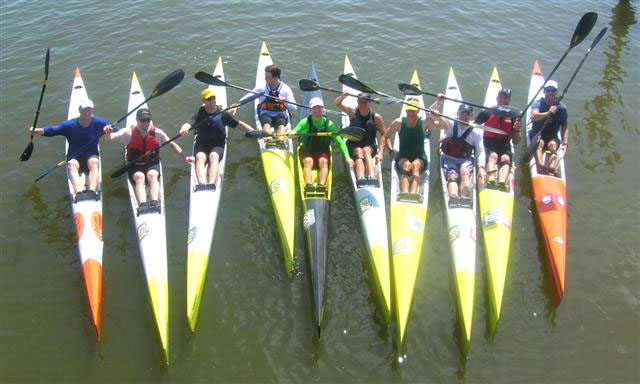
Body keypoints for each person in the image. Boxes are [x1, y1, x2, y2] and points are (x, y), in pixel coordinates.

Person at [104, 108, 192, 211]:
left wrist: (185, 157)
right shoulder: (128, 132)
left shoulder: (157, 132)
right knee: (139, 177)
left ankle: (155, 203)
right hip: (134, 164)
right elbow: (109, 138)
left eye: (148, 120)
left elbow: (171, 145)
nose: (145, 123)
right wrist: (107, 132)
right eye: (142, 120)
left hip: (151, 163)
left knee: (152, 175)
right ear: (137, 120)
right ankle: (142, 205)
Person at [29, 99, 110, 201]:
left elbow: (116, 131)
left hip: (91, 154)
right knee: (71, 164)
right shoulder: (69, 125)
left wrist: (110, 131)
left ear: (92, 111)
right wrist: (37, 131)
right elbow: (52, 130)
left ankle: (92, 192)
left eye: (89, 110)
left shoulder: (99, 123)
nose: (87, 112)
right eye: (85, 110)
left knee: (94, 162)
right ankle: (79, 193)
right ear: (80, 111)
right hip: (74, 155)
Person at [179, 88, 254, 190]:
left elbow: (239, 125)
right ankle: (201, 184)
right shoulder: (199, 114)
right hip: (202, 144)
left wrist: (253, 132)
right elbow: (189, 123)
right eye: (208, 99)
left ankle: (211, 184)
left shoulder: (223, 114)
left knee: (213, 156)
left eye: (213, 98)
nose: (212, 101)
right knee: (200, 157)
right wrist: (184, 128)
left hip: (217, 144)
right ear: (203, 101)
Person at [430, 97, 487, 202]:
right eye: (462, 113)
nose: (464, 116)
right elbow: (431, 115)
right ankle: (454, 198)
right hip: (448, 157)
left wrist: (481, 167)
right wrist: (438, 103)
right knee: (452, 176)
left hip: (465, 159)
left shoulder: (476, 131)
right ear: (458, 113)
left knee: (465, 173)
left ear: (471, 116)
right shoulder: (450, 123)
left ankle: (465, 199)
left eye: (468, 113)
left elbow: (480, 151)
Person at [292, 97, 353, 190]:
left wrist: (347, 157)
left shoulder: (329, 124)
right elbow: (294, 131)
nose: (317, 110)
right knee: (309, 161)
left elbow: (340, 142)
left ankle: (321, 186)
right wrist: (292, 133)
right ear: (310, 110)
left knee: (323, 162)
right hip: (307, 151)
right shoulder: (305, 122)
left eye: (319, 107)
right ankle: (308, 185)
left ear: (323, 109)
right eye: (314, 107)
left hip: (322, 152)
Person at [334, 91, 386, 186]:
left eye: (365, 102)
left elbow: (384, 135)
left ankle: (371, 177)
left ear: (369, 103)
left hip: (369, 145)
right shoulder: (352, 112)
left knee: (366, 150)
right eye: (360, 102)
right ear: (357, 102)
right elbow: (337, 103)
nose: (362, 105)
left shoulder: (376, 117)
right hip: (353, 144)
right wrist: (343, 96)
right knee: (359, 151)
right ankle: (361, 178)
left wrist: (381, 152)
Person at [474, 88, 521, 190]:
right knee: (493, 156)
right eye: (501, 98)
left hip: (504, 144)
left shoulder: (514, 116)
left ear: (509, 100)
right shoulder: (487, 112)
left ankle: (502, 183)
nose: (503, 100)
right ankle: (491, 180)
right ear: (497, 98)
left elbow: (516, 141)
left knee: (506, 158)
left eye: (506, 98)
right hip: (488, 143)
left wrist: (516, 130)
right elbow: (473, 126)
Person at [380, 97, 430, 194]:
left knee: (415, 165)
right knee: (407, 165)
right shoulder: (398, 123)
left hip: (420, 157)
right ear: (406, 110)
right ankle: (405, 194)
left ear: (418, 110)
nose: (411, 112)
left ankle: (413, 194)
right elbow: (384, 137)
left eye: (413, 110)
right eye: (409, 110)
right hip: (403, 156)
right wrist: (382, 152)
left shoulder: (424, 123)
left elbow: (444, 126)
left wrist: (437, 116)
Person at [239, 64, 297, 136]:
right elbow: (248, 97)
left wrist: (284, 102)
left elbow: (294, 108)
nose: (265, 78)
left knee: (281, 124)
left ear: (275, 77)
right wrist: (236, 106)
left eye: (267, 77)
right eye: (265, 76)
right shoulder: (261, 88)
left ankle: (281, 141)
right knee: (266, 123)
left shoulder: (285, 90)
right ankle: (268, 139)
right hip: (266, 113)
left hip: (280, 113)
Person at [530, 80, 568, 173]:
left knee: (553, 145)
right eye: (548, 90)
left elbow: (564, 127)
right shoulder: (537, 103)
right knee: (540, 143)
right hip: (538, 134)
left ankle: (551, 169)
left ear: (556, 92)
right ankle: (540, 167)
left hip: (552, 136)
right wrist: (548, 113)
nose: (550, 92)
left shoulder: (562, 108)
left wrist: (565, 143)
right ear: (544, 92)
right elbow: (534, 116)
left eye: (553, 90)